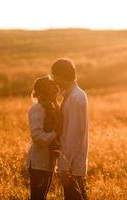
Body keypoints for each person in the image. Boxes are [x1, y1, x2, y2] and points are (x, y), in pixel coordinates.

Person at [51, 58, 89, 200]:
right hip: (72, 164)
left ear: (61, 75)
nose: (54, 80)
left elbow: (73, 135)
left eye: (54, 75)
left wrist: (64, 167)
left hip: (72, 165)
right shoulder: (72, 95)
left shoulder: (76, 98)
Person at [26, 76, 60, 200]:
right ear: (45, 90)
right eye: (51, 85)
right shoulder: (38, 109)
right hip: (38, 163)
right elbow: (37, 136)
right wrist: (55, 133)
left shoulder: (51, 108)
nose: (56, 87)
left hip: (47, 162)